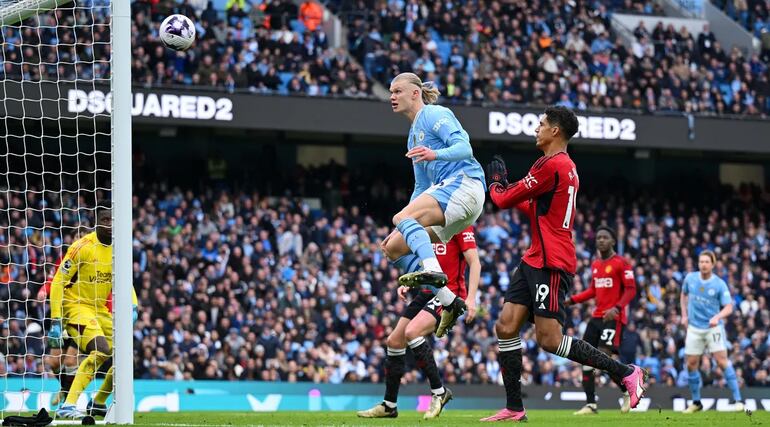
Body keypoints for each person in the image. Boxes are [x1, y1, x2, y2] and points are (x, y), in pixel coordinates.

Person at [480, 106, 648, 422]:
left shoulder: (552, 165)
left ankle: (626, 372)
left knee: (549, 340)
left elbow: (502, 200)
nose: (536, 128)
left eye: (541, 124)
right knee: (505, 326)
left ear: (555, 131)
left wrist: (497, 183)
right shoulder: (563, 166)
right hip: (534, 258)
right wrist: (508, 190)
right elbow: (535, 210)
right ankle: (515, 408)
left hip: (551, 262)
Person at [380, 72, 486, 338]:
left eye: (397, 91)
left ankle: (433, 271)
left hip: (465, 185)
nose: (392, 96)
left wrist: (435, 153)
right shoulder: (413, 135)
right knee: (392, 247)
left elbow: (465, 148)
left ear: (415, 93)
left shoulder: (434, 114)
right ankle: (447, 299)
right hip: (450, 199)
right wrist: (404, 223)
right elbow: (421, 187)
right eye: (391, 92)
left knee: (401, 219)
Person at [357, 226, 481, 419]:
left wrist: (471, 298)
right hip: (427, 291)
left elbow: (475, 262)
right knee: (394, 342)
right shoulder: (429, 223)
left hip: (450, 293)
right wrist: (408, 283)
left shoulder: (460, 222)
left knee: (412, 332)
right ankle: (389, 405)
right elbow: (425, 262)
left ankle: (439, 393)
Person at [48, 206, 138, 419]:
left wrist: (134, 305)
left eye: (112, 220)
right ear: (97, 222)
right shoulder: (83, 247)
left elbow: (126, 280)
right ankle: (68, 404)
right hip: (76, 307)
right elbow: (59, 281)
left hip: (100, 310)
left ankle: (98, 402)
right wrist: (56, 319)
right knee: (101, 350)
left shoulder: (119, 249)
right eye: (105, 219)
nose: (109, 224)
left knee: (125, 357)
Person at [565, 226, 637, 415]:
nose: (601, 241)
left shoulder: (622, 263)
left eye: (605, 237)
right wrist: (571, 300)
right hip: (597, 317)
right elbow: (592, 291)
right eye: (598, 238)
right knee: (585, 357)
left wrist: (617, 308)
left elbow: (631, 289)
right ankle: (591, 404)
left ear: (613, 241)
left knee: (604, 356)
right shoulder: (596, 264)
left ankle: (627, 391)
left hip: (614, 318)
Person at [681, 250, 744, 413]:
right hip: (694, 328)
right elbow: (683, 294)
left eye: (706, 262)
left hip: (713, 328)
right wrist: (684, 315)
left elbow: (729, 307)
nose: (703, 264)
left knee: (722, 362)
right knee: (691, 364)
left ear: (713, 264)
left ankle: (738, 400)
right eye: (701, 261)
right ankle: (696, 402)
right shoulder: (690, 278)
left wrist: (717, 317)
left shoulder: (719, 284)